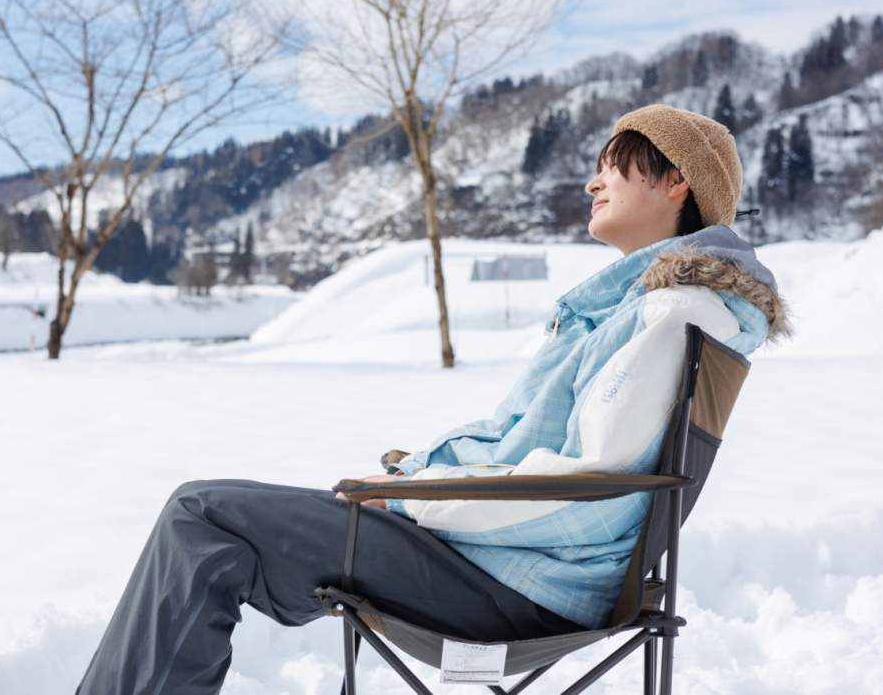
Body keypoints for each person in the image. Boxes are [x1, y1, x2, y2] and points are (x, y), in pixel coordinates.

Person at [75, 103, 792, 694]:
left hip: (514, 586)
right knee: (210, 522)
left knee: (202, 517)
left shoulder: (668, 316)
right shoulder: (646, 311)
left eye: (614, 164)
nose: (591, 183)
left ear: (677, 184)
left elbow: (587, 487)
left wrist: (413, 500)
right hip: (503, 564)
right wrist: (411, 482)